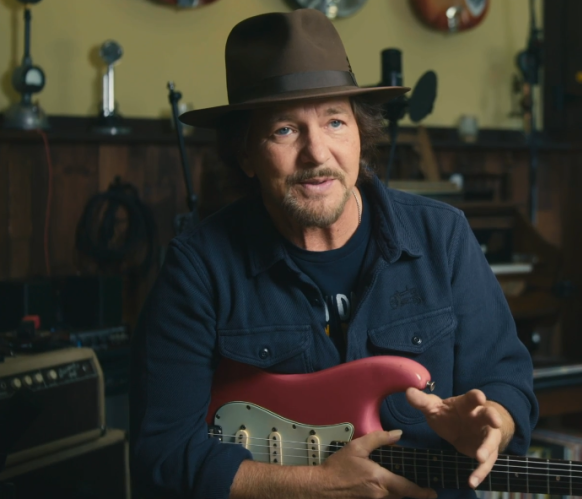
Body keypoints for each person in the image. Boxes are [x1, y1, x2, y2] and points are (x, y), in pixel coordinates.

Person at [130, 9, 538, 499]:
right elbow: (164, 453)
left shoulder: (442, 236)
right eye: (285, 129)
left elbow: (506, 378)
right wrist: (312, 486)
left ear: (361, 135)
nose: (317, 153)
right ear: (245, 155)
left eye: (335, 121)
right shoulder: (198, 267)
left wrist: (498, 420)